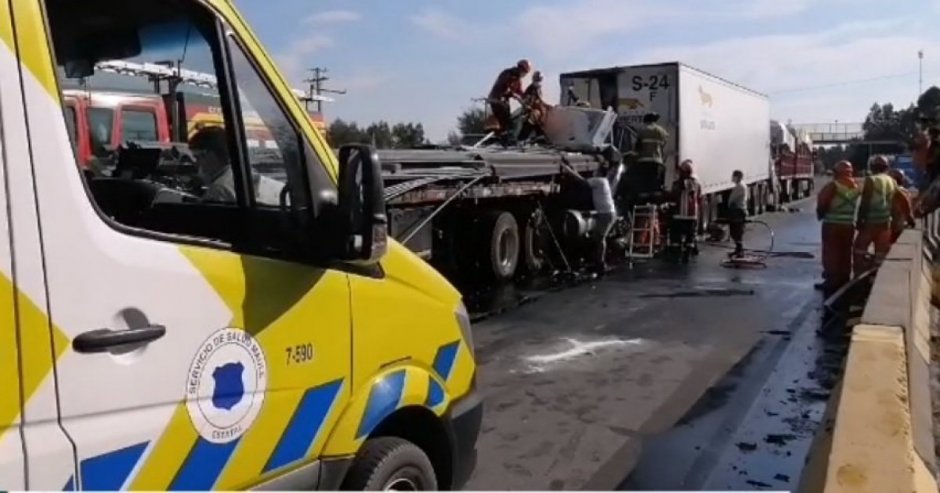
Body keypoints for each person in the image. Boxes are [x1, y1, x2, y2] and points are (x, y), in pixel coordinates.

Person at [189, 125, 284, 204]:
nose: (196, 163)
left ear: (211, 155)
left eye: (198, 157)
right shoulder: (242, 172)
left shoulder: (219, 190)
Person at [853, 155, 910, 277]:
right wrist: (909, 217)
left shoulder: (871, 180)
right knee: (880, 254)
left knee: (859, 250)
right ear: (886, 168)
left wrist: (859, 220)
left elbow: (866, 201)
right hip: (885, 224)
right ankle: (877, 277)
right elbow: (903, 199)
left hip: (870, 222)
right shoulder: (891, 181)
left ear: (872, 167)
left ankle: (858, 278)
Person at [560, 159, 616, 276]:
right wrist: (572, 167)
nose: (594, 172)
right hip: (606, 213)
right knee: (597, 237)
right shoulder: (603, 181)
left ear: (599, 172)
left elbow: (582, 182)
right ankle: (597, 261)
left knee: (600, 238)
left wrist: (569, 171)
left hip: (605, 214)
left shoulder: (599, 181)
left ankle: (600, 264)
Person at [815, 160, 859, 293]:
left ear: (836, 172)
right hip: (849, 225)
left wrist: (821, 214)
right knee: (846, 252)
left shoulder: (833, 186)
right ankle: (844, 278)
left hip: (832, 225)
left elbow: (822, 201)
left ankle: (832, 280)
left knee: (831, 253)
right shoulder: (856, 186)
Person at [487, 59, 531, 142]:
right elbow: (504, 87)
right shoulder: (507, 73)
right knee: (505, 120)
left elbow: (520, 91)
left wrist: (526, 98)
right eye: (525, 72)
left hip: (504, 102)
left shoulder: (517, 79)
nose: (524, 75)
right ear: (521, 69)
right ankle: (502, 139)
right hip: (497, 99)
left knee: (507, 120)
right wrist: (515, 96)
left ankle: (505, 138)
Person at [668, 159, 702, 263]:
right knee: (690, 237)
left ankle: (676, 256)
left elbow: (673, 196)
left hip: (678, 215)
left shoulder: (677, 184)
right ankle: (687, 256)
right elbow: (700, 197)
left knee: (676, 237)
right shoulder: (697, 183)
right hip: (692, 215)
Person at [519, 71, 550, 142]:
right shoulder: (531, 89)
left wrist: (546, 106)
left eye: (539, 79)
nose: (538, 81)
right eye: (537, 79)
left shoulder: (538, 89)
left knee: (540, 116)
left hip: (537, 109)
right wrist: (528, 106)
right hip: (530, 110)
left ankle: (539, 135)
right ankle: (523, 137)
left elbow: (540, 100)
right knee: (534, 116)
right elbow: (527, 100)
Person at [888, 168, 915, 244]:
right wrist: (910, 219)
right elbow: (906, 205)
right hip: (896, 224)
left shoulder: (885, 189)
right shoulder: (904, 192)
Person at [727, 170, 748, 258]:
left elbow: (733, 199)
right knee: (735, 231)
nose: (732, 178)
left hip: (738, 211)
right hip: (738, 210)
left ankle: (740, 250)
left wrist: (729, 204)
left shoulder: (740, 187)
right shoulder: (740, 186)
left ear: (738, 177)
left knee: (736, 231)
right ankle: (738, 250)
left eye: (734, 176)